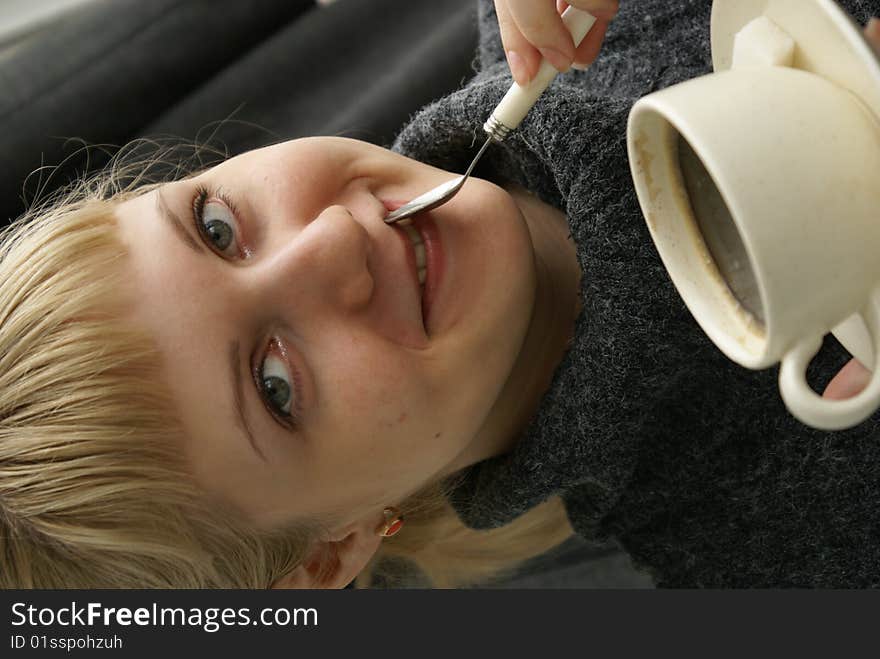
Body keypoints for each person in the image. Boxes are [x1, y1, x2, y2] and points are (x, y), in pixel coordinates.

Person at [1, 0, 878, 589]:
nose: (334, 243)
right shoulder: (792, 553)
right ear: (329, 554)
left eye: (217, 226)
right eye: (275, 385)